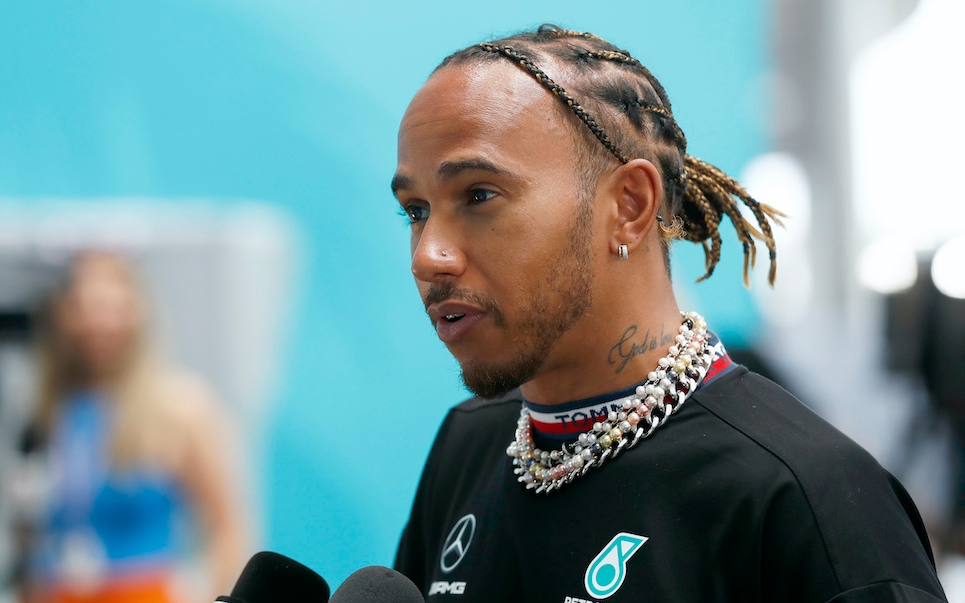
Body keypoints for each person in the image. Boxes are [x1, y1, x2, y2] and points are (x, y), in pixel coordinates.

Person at [391, 25, 947, 602]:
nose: (428, 257)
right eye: (416, 210)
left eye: (479, 195)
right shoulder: (467, 445)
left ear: (628, 206)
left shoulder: (804, 494)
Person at [21, 252, 249, 603]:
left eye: (112, 307)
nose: (99, 322)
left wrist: (209, 595)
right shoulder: (49, 409)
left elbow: (228, 531)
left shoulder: (180, 408)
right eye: (83, 307)